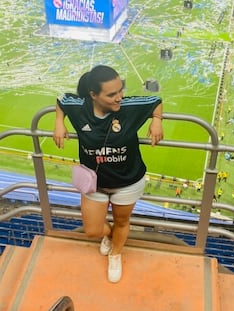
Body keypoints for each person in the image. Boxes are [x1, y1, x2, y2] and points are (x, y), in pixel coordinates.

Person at [53, 65, 163, 283]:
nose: (119, 97)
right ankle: (109, 236)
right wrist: (59, 122)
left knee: (123, 222)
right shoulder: (80, 108)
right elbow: (61, 100)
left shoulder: (129, 106)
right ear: (93, 95)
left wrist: (157, 120)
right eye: (112, 94)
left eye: (120, 90)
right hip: (94, 183)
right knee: (92, 230)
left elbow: (155, 101)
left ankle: (116, 253)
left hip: (128, 181)